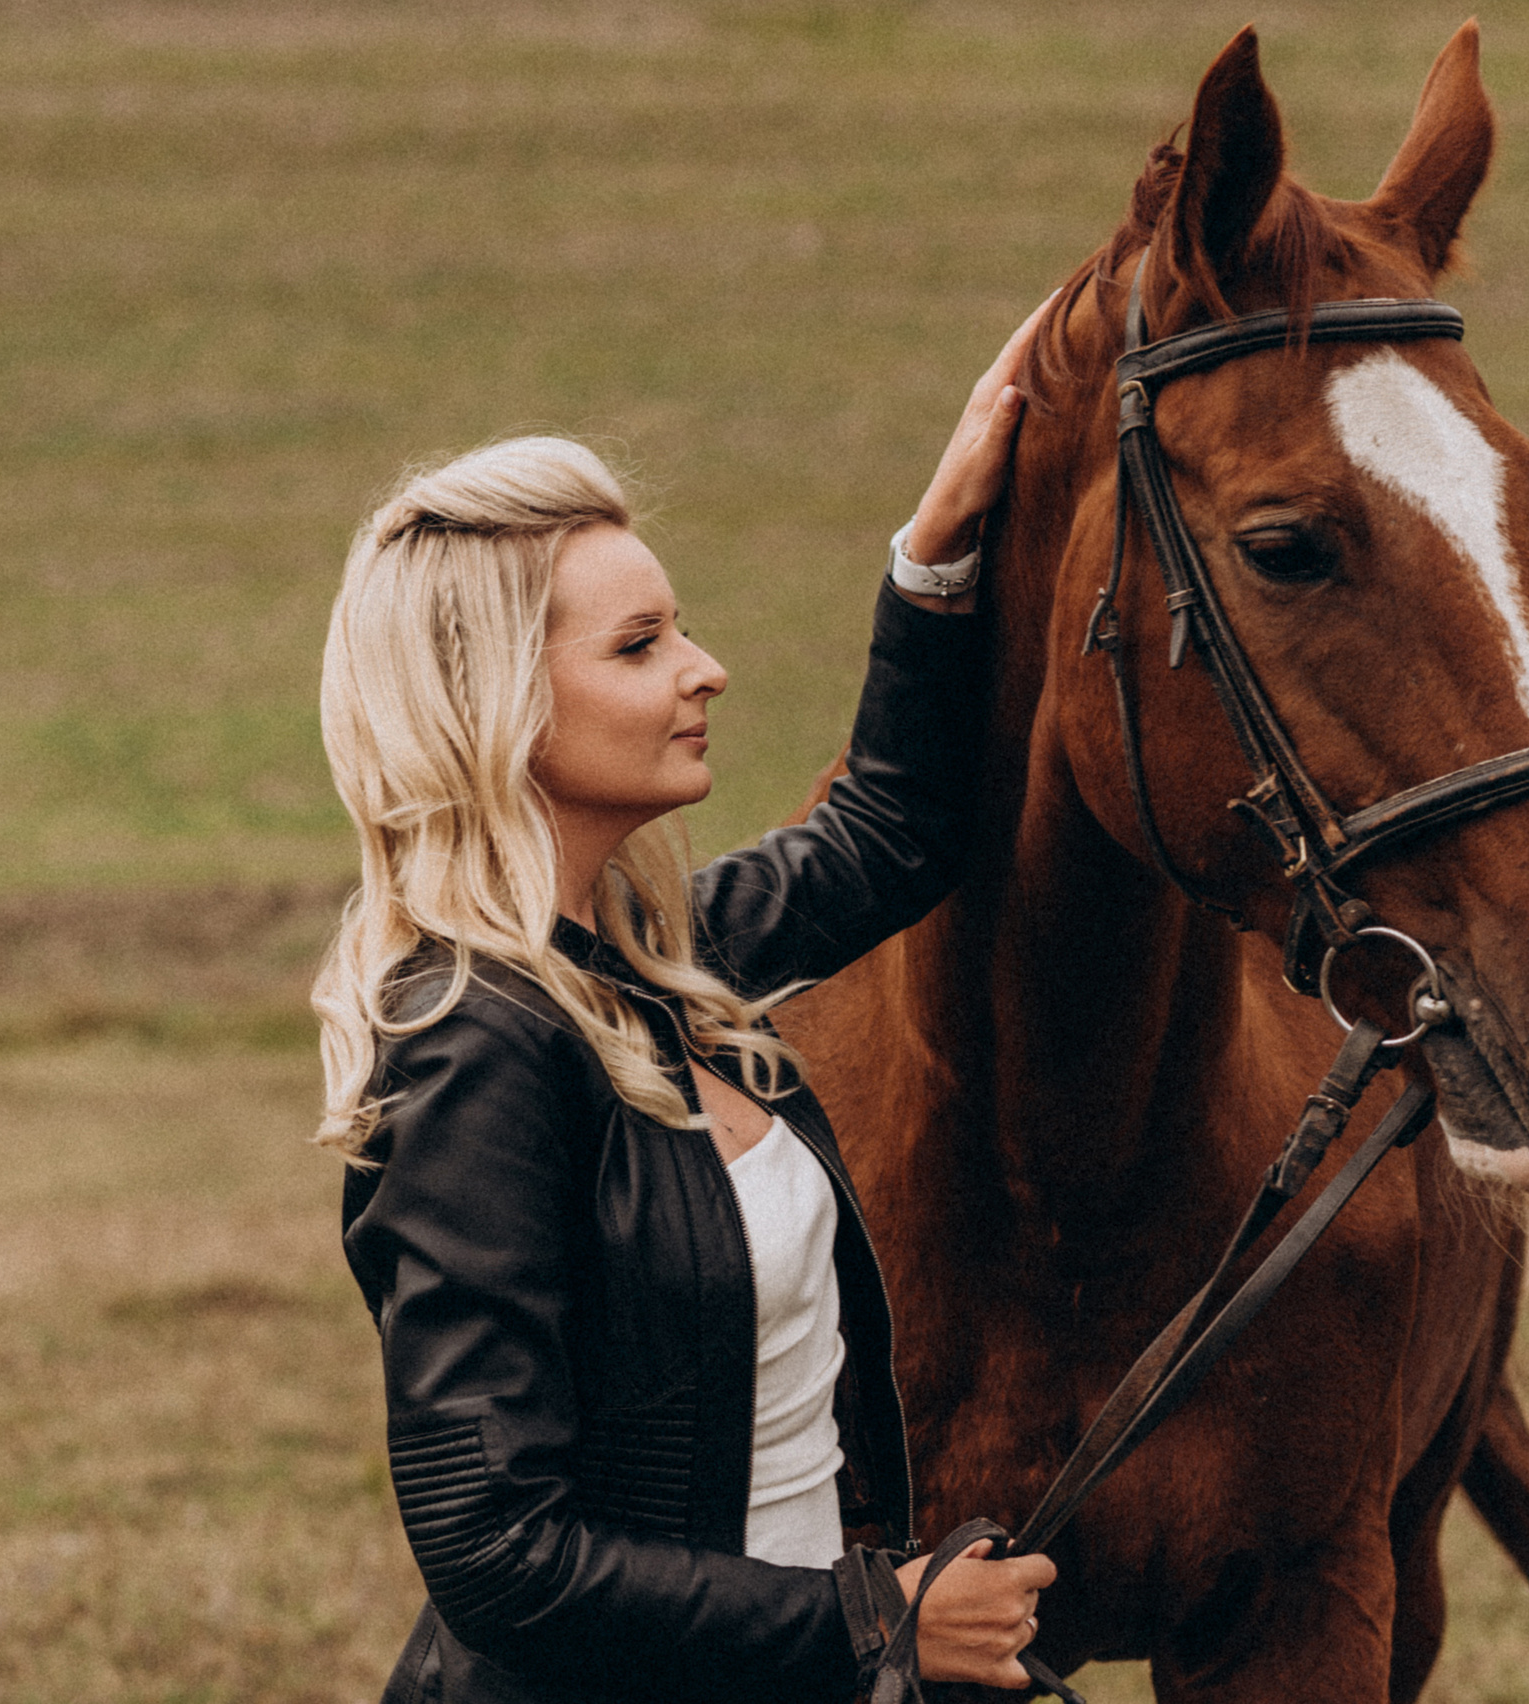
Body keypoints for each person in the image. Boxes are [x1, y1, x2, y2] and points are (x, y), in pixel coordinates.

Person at [312, 302, 1056, 1703]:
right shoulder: (472, 1048)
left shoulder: (656, 969)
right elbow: (495, 1554)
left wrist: (938, 549)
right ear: (500, 711)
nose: (704, 668)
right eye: (641, 645)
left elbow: (891, 830)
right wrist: (878, 1621)